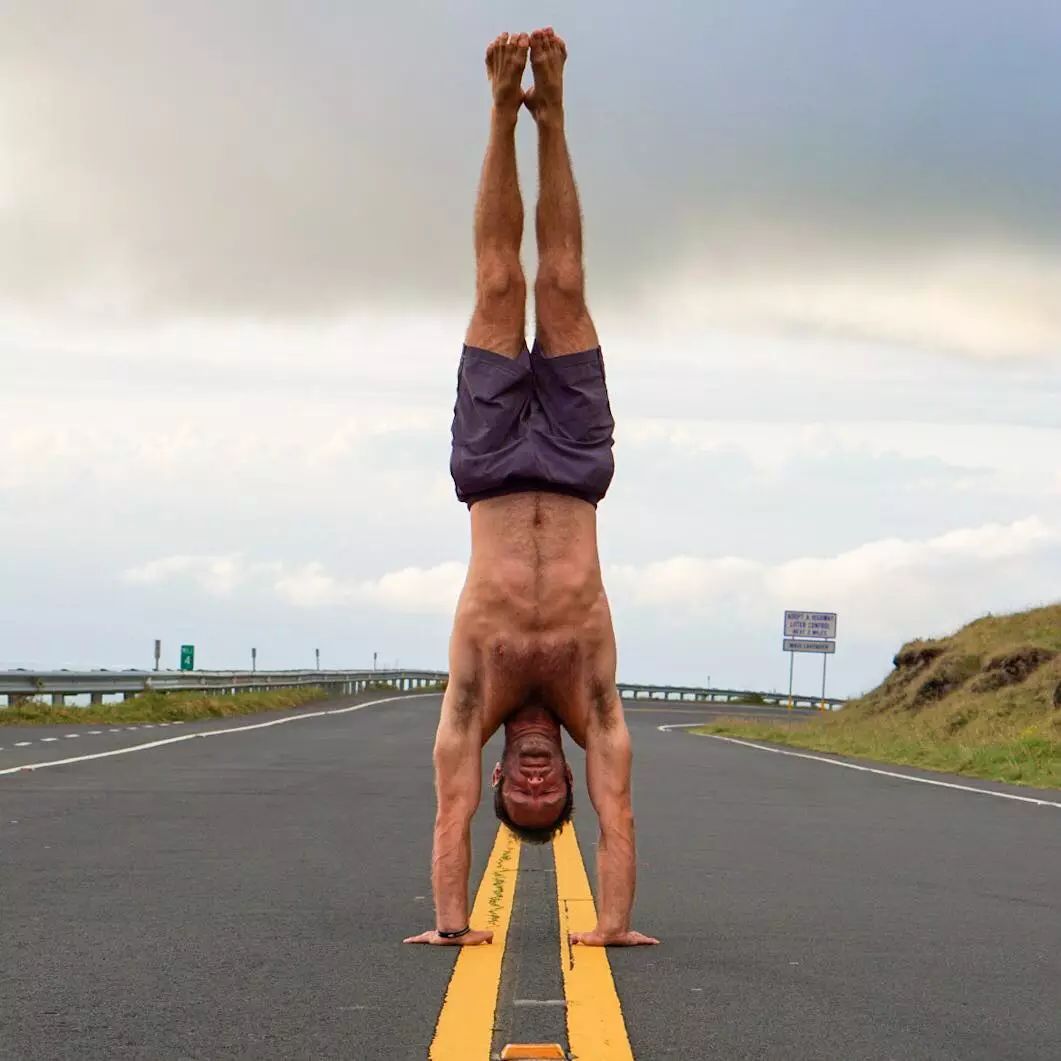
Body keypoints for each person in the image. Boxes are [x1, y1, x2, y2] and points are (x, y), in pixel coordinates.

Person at [404, 28, 658, 949]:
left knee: (498, 281)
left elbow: (446, 811)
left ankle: (498, 107)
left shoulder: (475, 697)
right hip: (581, 467)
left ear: (504, 776)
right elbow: (619, 810)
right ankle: (550, 113)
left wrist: (448, 922)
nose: (543, 784)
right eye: (554, 797)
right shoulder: (594, 706)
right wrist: (614, 923)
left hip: (488, 467)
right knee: (562, 280)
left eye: (524, 792)